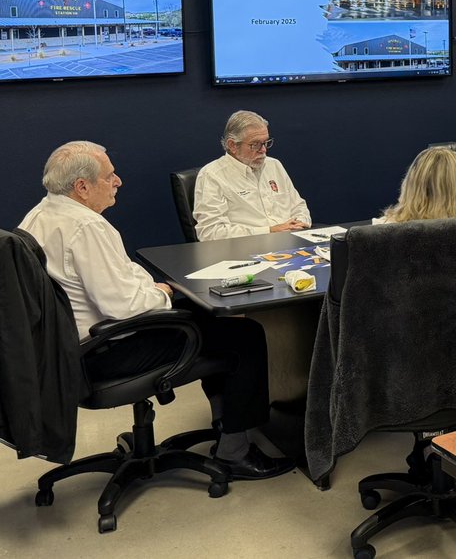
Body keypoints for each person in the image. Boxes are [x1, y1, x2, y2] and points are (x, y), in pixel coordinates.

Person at [19, 141, 293, 479]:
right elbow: (125, 306)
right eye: (110, 176)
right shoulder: (87, 227)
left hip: (67, 351)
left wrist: (153, 289)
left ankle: (226, 424)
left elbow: (113, 284)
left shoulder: (41, 214)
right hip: (106, 350)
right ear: (82, 187)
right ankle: (235, 451)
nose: (118, 180)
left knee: (210, 319)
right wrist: (161, 291)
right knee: (244, 335)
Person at [193, 110, 311, 241]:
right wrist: (269, 231)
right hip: (246, 250)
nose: (263, 150)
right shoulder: (212, 175)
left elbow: (298, 206)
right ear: (232, 145)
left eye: (266, 143)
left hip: (291, 242)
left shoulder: (274, 165)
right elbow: (210, 232)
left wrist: (299, 223)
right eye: (255, 144)